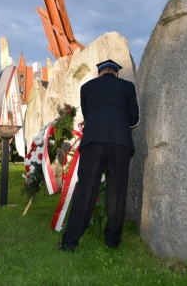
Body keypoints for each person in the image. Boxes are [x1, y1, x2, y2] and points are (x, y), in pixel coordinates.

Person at [58, 59, 140, 253]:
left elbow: (88, 116)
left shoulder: (87, 87)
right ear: (117, 73)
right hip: (120, 142)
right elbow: (134, 119)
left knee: (86, 189)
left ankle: (70, 241)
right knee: (117, 192)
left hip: (93, 142)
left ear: (99, 73)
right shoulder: (128, 86)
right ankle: (112, 241)